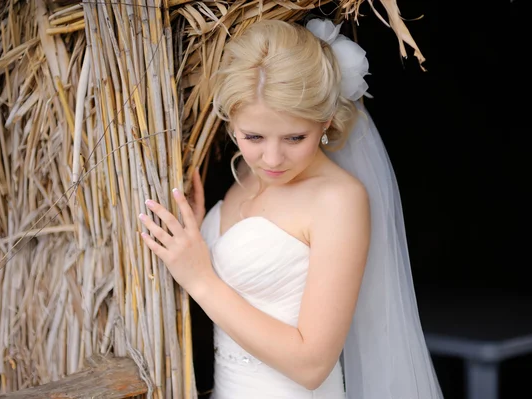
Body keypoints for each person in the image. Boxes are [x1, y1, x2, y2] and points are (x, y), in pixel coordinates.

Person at [139, 18, 443, 399]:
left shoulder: (339, 199)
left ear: (326, 121)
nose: (272, 158)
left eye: (295, 137)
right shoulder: (245, 178)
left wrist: (199, 277)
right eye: (253, 136)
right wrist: (201, 237)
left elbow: (312, 365)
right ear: (231, 122)